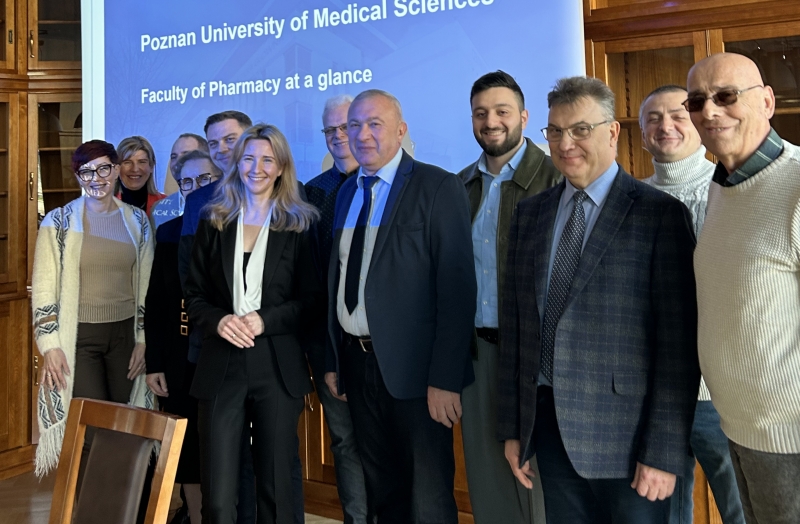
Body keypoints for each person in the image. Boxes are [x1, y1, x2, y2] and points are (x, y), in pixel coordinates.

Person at [498, 76, 700, 523]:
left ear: (612, 132)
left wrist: (662, 451)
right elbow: (517, 328)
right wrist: (515, 429)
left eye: (580, 130)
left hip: (628, 441)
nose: (565, 143)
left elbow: (679, 348)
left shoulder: (659, 214)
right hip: (549, 430)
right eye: (555, 131)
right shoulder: (531, 214)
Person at [324, 89, 476, 523]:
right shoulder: (346, 192)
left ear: (401, 130)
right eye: (354, 125)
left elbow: (457, 290)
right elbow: (339, 278)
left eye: (375, 124)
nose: (362, 135)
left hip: (418, 373)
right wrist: (335, 361)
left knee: (428, 499)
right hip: (358, 366)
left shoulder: (437, 186)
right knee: (383, 495)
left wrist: (445, 379)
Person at [184, 124, 318, 524]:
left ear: (281, 167)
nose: (256, 168)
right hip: (221, 364)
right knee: (219, 497)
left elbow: (311, 301)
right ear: (236, 164)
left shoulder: (300, 223)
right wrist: (219, 320)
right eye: (248, 159)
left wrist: (264, 320)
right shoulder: (214, 219)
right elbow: (194, 294)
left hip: (276, 364)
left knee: (277, 490)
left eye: (267, 160)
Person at [689, 52, 800, 524]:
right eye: (697, 101)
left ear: (768, 101)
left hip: (789, 441)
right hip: (737, 428)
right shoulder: (722, 186)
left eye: (726, 96)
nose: (710, 111)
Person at [639, 84, 745, 524]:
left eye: (678, 115)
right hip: (651, 395)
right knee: (663, 515)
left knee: (743, 509)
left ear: (699, 123)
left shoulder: (731, 192)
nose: (665, 126)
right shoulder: (631, 199)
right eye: (653, 118)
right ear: (641, 133)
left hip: (717, 396)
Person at [457, 70, 560, 524]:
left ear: (524, 116)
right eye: (480, 113)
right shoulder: (460, 185)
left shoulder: (556, 177)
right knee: (488, 482)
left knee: (541, 484)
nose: (491, 121)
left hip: (536, 359)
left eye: (502, 111)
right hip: (477, 355)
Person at [31, 139, 154, 476]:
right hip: (78, 339)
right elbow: (43, 287)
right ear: (77, 176)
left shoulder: (138, 221)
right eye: (86, 172)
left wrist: (144, 340)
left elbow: (146, 285)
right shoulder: (57, 222)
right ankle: (90, 502)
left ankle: (125, 501)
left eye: (103, 169)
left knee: (127, 425)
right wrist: (49, 345)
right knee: (90, 429)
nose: (96, 178)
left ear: (116, 170)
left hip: (125, 338)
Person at [145, 150, 222, 524]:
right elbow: (157, 304)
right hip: (178, 356)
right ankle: (194, 515)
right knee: (187, 445)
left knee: (221, 443)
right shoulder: (168, 232)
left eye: (204, 179)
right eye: (186, 182)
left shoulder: (236, 225)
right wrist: (155, 363)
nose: (195, 188)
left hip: (220, 353)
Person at [304, 94, 370, 524]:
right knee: (345, 441)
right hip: (330, 342)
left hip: (381, 341)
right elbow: (309, 275)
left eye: (346, 126)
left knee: (387, 440)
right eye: (331, 130)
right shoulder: (312, 193)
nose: (339, 136)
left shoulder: (390, 184)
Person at [151, 133, 209, 230]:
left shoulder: (227, 202)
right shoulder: (159, 209)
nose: (178, 162)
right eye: (174, 157)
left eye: (186, 155)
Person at [116, 135, 167, 215]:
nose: (135, 169)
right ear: (117, 167)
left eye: (142, 162)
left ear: (151, 166)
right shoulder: (103, 205)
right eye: (127, 162)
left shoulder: (167, 205)